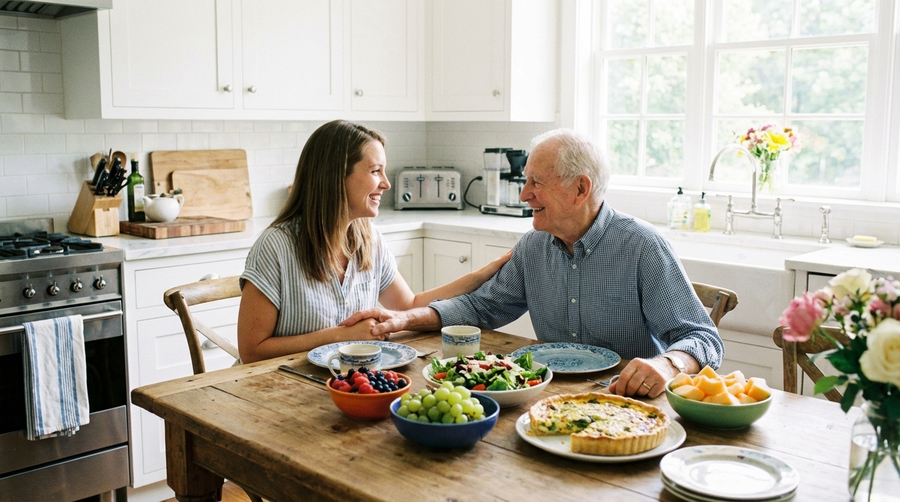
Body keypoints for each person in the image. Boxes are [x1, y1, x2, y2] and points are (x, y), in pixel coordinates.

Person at [342, 128, 723, 398]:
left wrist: (668, 365)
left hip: (625, 401)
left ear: (581, 189)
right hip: (545, 396)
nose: (524, 194)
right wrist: (408, 319)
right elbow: (481, 307)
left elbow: (703, 339)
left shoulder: (642, 246)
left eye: (536, 183)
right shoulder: (534, 246)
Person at [237, 120, 510, 363]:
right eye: (375, 171)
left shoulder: (369, 238)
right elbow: (252, 351)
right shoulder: (275, 246)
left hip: (347, 382)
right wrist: (343, 336)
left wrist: (481, 274)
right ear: (335, 176)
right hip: (277, 388)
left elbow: (409, 306)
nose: (386, 184)